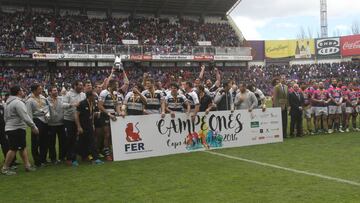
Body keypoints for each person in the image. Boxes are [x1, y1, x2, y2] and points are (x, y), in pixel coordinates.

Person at [2, 86, 39, 175]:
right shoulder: (18, 102)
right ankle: (5, 168)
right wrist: (33, 126)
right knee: (13, 149)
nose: (23, 91)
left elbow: (5, 117)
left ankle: (27, 166)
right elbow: (25, 116)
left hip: (13, 128)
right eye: (22, 90)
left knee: (22, 147)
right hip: (16, 129)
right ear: (19, 92)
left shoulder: (8, 102)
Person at [98, 79, 126, 161]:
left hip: (113, 116)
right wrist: (109, 114)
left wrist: (120, 113)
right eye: (116, 85)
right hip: (105, 116)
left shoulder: (115, 93)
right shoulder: (104, 93)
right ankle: (107, 153)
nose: (117, 87)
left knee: (112, 135)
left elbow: (117, 105)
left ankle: (111, 151)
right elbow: (100, 106)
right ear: (110, 85)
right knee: (107, 134)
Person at [75, 91, 104, 165]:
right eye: (94, 96)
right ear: (89, 96)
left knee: (92, 141)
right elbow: (76, 115)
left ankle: (95, 158)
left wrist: (93, 123)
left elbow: (91, 114)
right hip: (82, 126)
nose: (95, 98)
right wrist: (79, 126)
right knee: (80, 142)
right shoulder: (82, 103)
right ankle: (74, 158)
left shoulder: (93, 103)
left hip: (89, 126)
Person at [62, 80, 86, 166]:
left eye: (82, 85)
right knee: (70, 139)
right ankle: (69, 158)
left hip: (79, 120)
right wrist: (71, 105)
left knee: (79, 139)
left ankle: (78, 156)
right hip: (69, 120)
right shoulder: (68, 94)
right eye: (80, 85)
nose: (81, 87)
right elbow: (62, 104)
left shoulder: (83, 94)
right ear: (75, 86)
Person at [26, 83, 50, 167]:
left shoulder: (43, 98)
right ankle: (37, 161)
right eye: (39, 89)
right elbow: (28, 114)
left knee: (45, 141)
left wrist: (47, 114)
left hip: (45, 120)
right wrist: (32, 126)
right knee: (36, 142)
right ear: (34, 90)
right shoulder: (29, 100)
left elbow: (47, 107)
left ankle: (43, 159)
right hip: (36, 121)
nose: (41, 90)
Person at [47, 86, 66, 164]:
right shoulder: (46, 100)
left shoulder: (61, 99)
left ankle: (62, 157)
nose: (56, 91)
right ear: (50, 92)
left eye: (56, 90)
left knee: (62, 141)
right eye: (54, 90)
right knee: (51, 142)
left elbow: (65, 105)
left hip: (61, 123)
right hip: (51, 124)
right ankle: (53, 158)